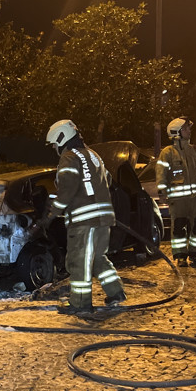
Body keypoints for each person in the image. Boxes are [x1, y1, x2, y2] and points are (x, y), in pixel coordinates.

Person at [39, 119, 126, 314]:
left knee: (78, 262)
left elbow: (66, 191)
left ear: (61, 138)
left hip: (84, 221)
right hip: (104, 218)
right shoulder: (94, 155)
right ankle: (116, 292)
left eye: (54, 143)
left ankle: (80, 304)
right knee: (98, 258)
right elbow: (107, 179)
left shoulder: (69, 157)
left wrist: (51, 214)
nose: (53, 147)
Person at [155, 117, 196, 268]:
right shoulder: (168, 153)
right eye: (186, 128)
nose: (189, 131)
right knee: (179, 227)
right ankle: (180, 256)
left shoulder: (195, 150)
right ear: (176, 132)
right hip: (178, 200)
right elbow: (161, 172)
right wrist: (162, 191)